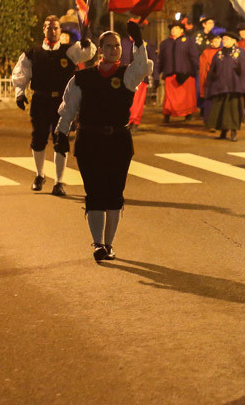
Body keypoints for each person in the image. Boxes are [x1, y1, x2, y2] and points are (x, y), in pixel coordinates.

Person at [55, 23, 153, 263]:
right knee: (95, 193)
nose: (114, 50)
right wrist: (61, 134)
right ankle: (98, 243)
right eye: (108, 46)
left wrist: (139, 43)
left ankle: (109, 244)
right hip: (90, 140)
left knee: (114, 194)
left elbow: (143, 66)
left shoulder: (128, 75)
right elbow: (69, 108)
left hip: (119, 140)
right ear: (100, 49)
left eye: (118, 46)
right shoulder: (82, 77)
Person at [11, 15, 96, 196]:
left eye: (56, 28)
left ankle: (59, 182)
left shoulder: (68, 51)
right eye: (49, 28)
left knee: (61, 139)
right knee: (38, 139)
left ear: (60, 30)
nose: (53, 31)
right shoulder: (33, 53)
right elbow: (21, 72)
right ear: (44, 30)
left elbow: (87, 53)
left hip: (62, 102)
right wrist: (20, 93)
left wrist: (88, 43)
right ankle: (39, 175)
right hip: (40, 101)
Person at [204, 29, 245, 141]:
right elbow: (213, 69)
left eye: (226, 39)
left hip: (235, 88)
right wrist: (212, 78)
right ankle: (223, 132)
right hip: (220, 87)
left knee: (233, 112)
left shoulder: (240, 53)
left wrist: (240, 68)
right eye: (223, 39)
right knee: (220, 111)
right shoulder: (219, 54)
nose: (224, 41)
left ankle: (233, 132)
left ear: (233, 41)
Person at [156, 22, 199, 123]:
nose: (173, 30)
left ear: (181, 30)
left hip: (186, 73)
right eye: (172, 28)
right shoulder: (165, 43)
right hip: (170, 73)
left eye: (176, 28)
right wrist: (158, 73)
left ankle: (188, 114)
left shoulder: (189, 41)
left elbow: (194, 57)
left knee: (187, 97)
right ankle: (167, 114)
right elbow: (161, 59)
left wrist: (194, 70)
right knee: (169, 97)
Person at [197, 29, 222, 126]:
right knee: (209, 103)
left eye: (216, 41)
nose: (214, 43)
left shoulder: (223, 51)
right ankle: (209, 121)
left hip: (221, 81)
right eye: (212, 41)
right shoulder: (205, 53)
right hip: (210, 81)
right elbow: (203, 70)